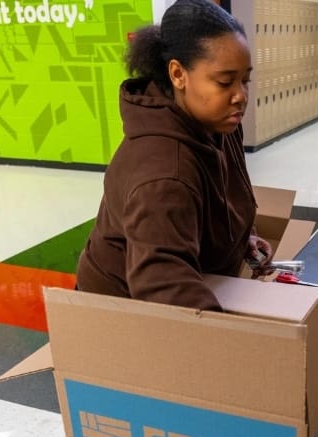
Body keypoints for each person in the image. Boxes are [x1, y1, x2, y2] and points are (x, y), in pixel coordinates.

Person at [76, 0, 272, 311]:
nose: (240, 96)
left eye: (244, 80)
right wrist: (232, 343)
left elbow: (227, 196)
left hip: (200, 278)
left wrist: (243, 237)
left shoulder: (221, 122)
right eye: (224, 81)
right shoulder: (164, 173)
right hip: (120, 310)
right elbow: (163, 289)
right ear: (178, 74)